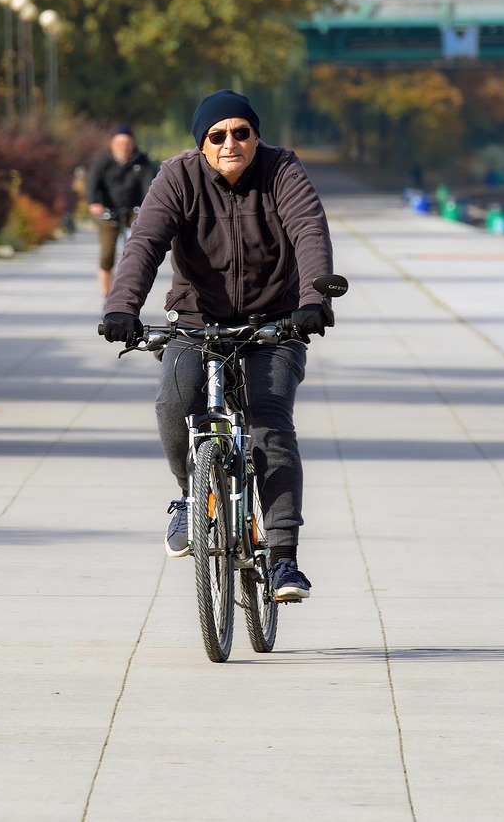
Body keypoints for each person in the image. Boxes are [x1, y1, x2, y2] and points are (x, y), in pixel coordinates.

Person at [100, 89, 335, 601]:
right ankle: (190, 497)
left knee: (269, 425)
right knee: (174, 401)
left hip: (274, 323)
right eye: (217, 135)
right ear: (202, 144)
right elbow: (145, 242)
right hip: (195, 321)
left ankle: (283, 559)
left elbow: (309, 231)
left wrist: (313, 300)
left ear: (256, 137)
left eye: (241, 133)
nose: (231, 143)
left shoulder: (282, 171)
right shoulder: (177, 177)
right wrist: (121, 308)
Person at [85, 125, 157, 297]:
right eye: (119, 143)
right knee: (107, 255)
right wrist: (94, 203)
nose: (123, 147)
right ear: (112, 144)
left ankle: (130, 293)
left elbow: (150, 186)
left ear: (133, 144)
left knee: (136, 250)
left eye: (127, 143)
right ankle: (106, 296)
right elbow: (92, 182)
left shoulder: (143, 163)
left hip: (135, 210)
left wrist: (149, 208)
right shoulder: (103, 162)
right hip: (109, 211)